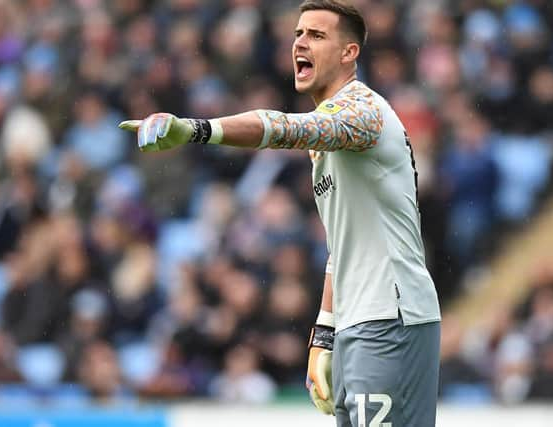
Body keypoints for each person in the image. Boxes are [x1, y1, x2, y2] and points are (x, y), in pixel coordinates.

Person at [119, 0, 442, 425]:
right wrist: (325, 335)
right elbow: (341, 246)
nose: (300, 43)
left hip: (389, 319)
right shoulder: (330, 136)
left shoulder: (364, 112)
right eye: (298, 34)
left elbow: (286, 127)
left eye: (317, 35)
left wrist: (198, 129)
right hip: (357, 323)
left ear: (350, 53)